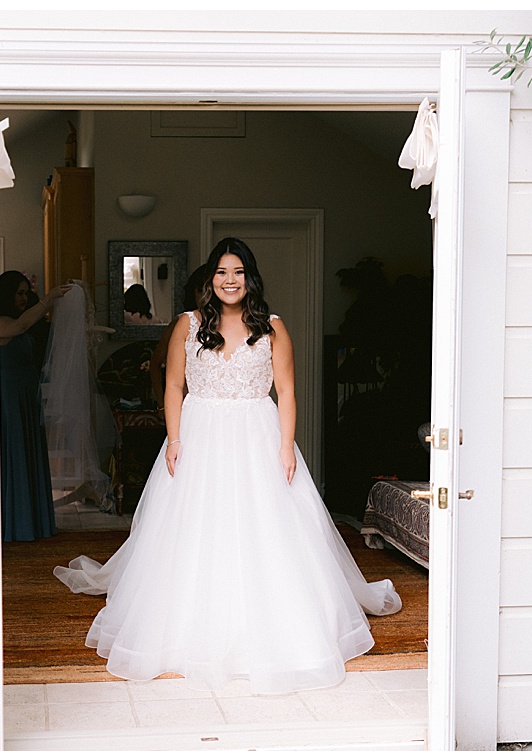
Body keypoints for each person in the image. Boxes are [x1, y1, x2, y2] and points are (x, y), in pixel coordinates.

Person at [54, 237, 401, 694]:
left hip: (257, 434)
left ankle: (273, 626)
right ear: (210, 279)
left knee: (265, 529)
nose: (229, 280)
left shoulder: (273, 328)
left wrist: (285, 445)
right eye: (221, 272)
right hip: (198, 436)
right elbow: (173, 385)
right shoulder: (188, 324)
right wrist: (174, 439)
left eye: (237, 272)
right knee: (195, 528)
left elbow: (288, 393)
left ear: (249, 278)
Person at [0, 271, 72, 542]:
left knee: (28, 453)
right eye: (18, 293)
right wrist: (49, 298)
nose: (23, 298)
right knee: (14, 454)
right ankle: (14, 524)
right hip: (8, 399)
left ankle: (32, 522)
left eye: (26, 293)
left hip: (28, 397)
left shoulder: (22, 321)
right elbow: (20, 328)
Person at [149, 261, 211, 407]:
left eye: (210, 290)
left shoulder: (232, 323)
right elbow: (155, 363)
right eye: (200, 290)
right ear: (193, 292)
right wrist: (161, 404)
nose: (205, 296)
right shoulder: (182, 323)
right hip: (186, 404)